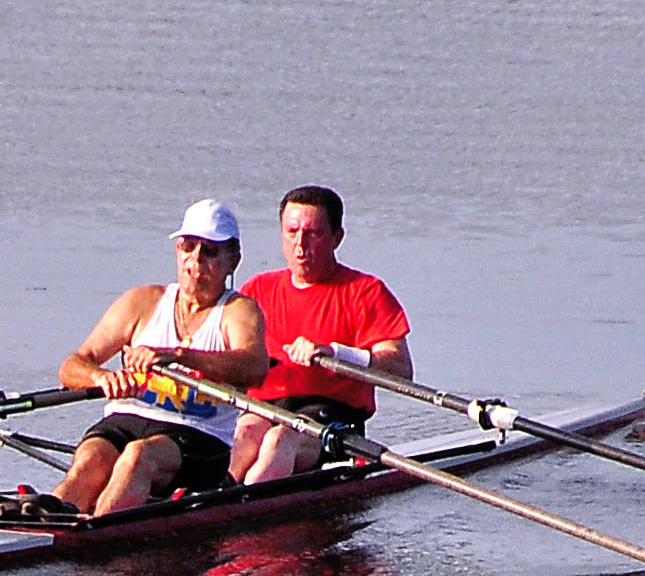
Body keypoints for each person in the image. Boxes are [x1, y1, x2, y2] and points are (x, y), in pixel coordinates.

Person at [43, 200, 272, 517]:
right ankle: (52, 515)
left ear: (233, 260)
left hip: (199, 435)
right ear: (177, 250)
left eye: (209, 251)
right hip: (126, 417)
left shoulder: (238, 311)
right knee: (91, 460)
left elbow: (255, 368)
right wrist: (101, 377)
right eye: (188, 247)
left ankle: (93, 534)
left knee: (137, 457)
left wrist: (179, 356)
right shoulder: (142, 302)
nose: (196, 260)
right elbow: (73, 365)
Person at [231, 186, 414, 482]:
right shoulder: (256, 290)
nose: (300, 244)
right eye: (291, 232)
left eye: (312, 233)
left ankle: (245, 508)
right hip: (265, 408)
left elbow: (401, 368)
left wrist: (336, 352)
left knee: (280, 440)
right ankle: (214, 501)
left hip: (332, 417)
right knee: (244, 433)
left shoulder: (365, 292)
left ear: (336, 238)